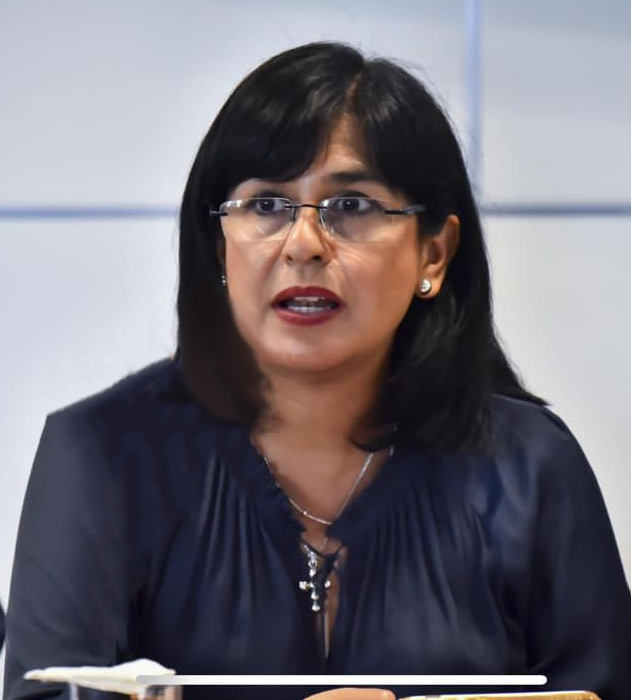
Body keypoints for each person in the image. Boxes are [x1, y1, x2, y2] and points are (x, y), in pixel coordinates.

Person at [4, 41, 631, 700]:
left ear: (434, 253)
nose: (303, 244)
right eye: (266, 205)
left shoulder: (528, 469)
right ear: (219, 244)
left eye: (351, 206)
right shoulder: (100, 455)